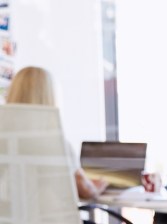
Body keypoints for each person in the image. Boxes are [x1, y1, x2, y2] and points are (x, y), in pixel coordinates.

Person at [5, 66, 109, 200]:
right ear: (50, 97)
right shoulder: (58, 145)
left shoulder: (5, 142)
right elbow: (86, 191)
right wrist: (99, 185)